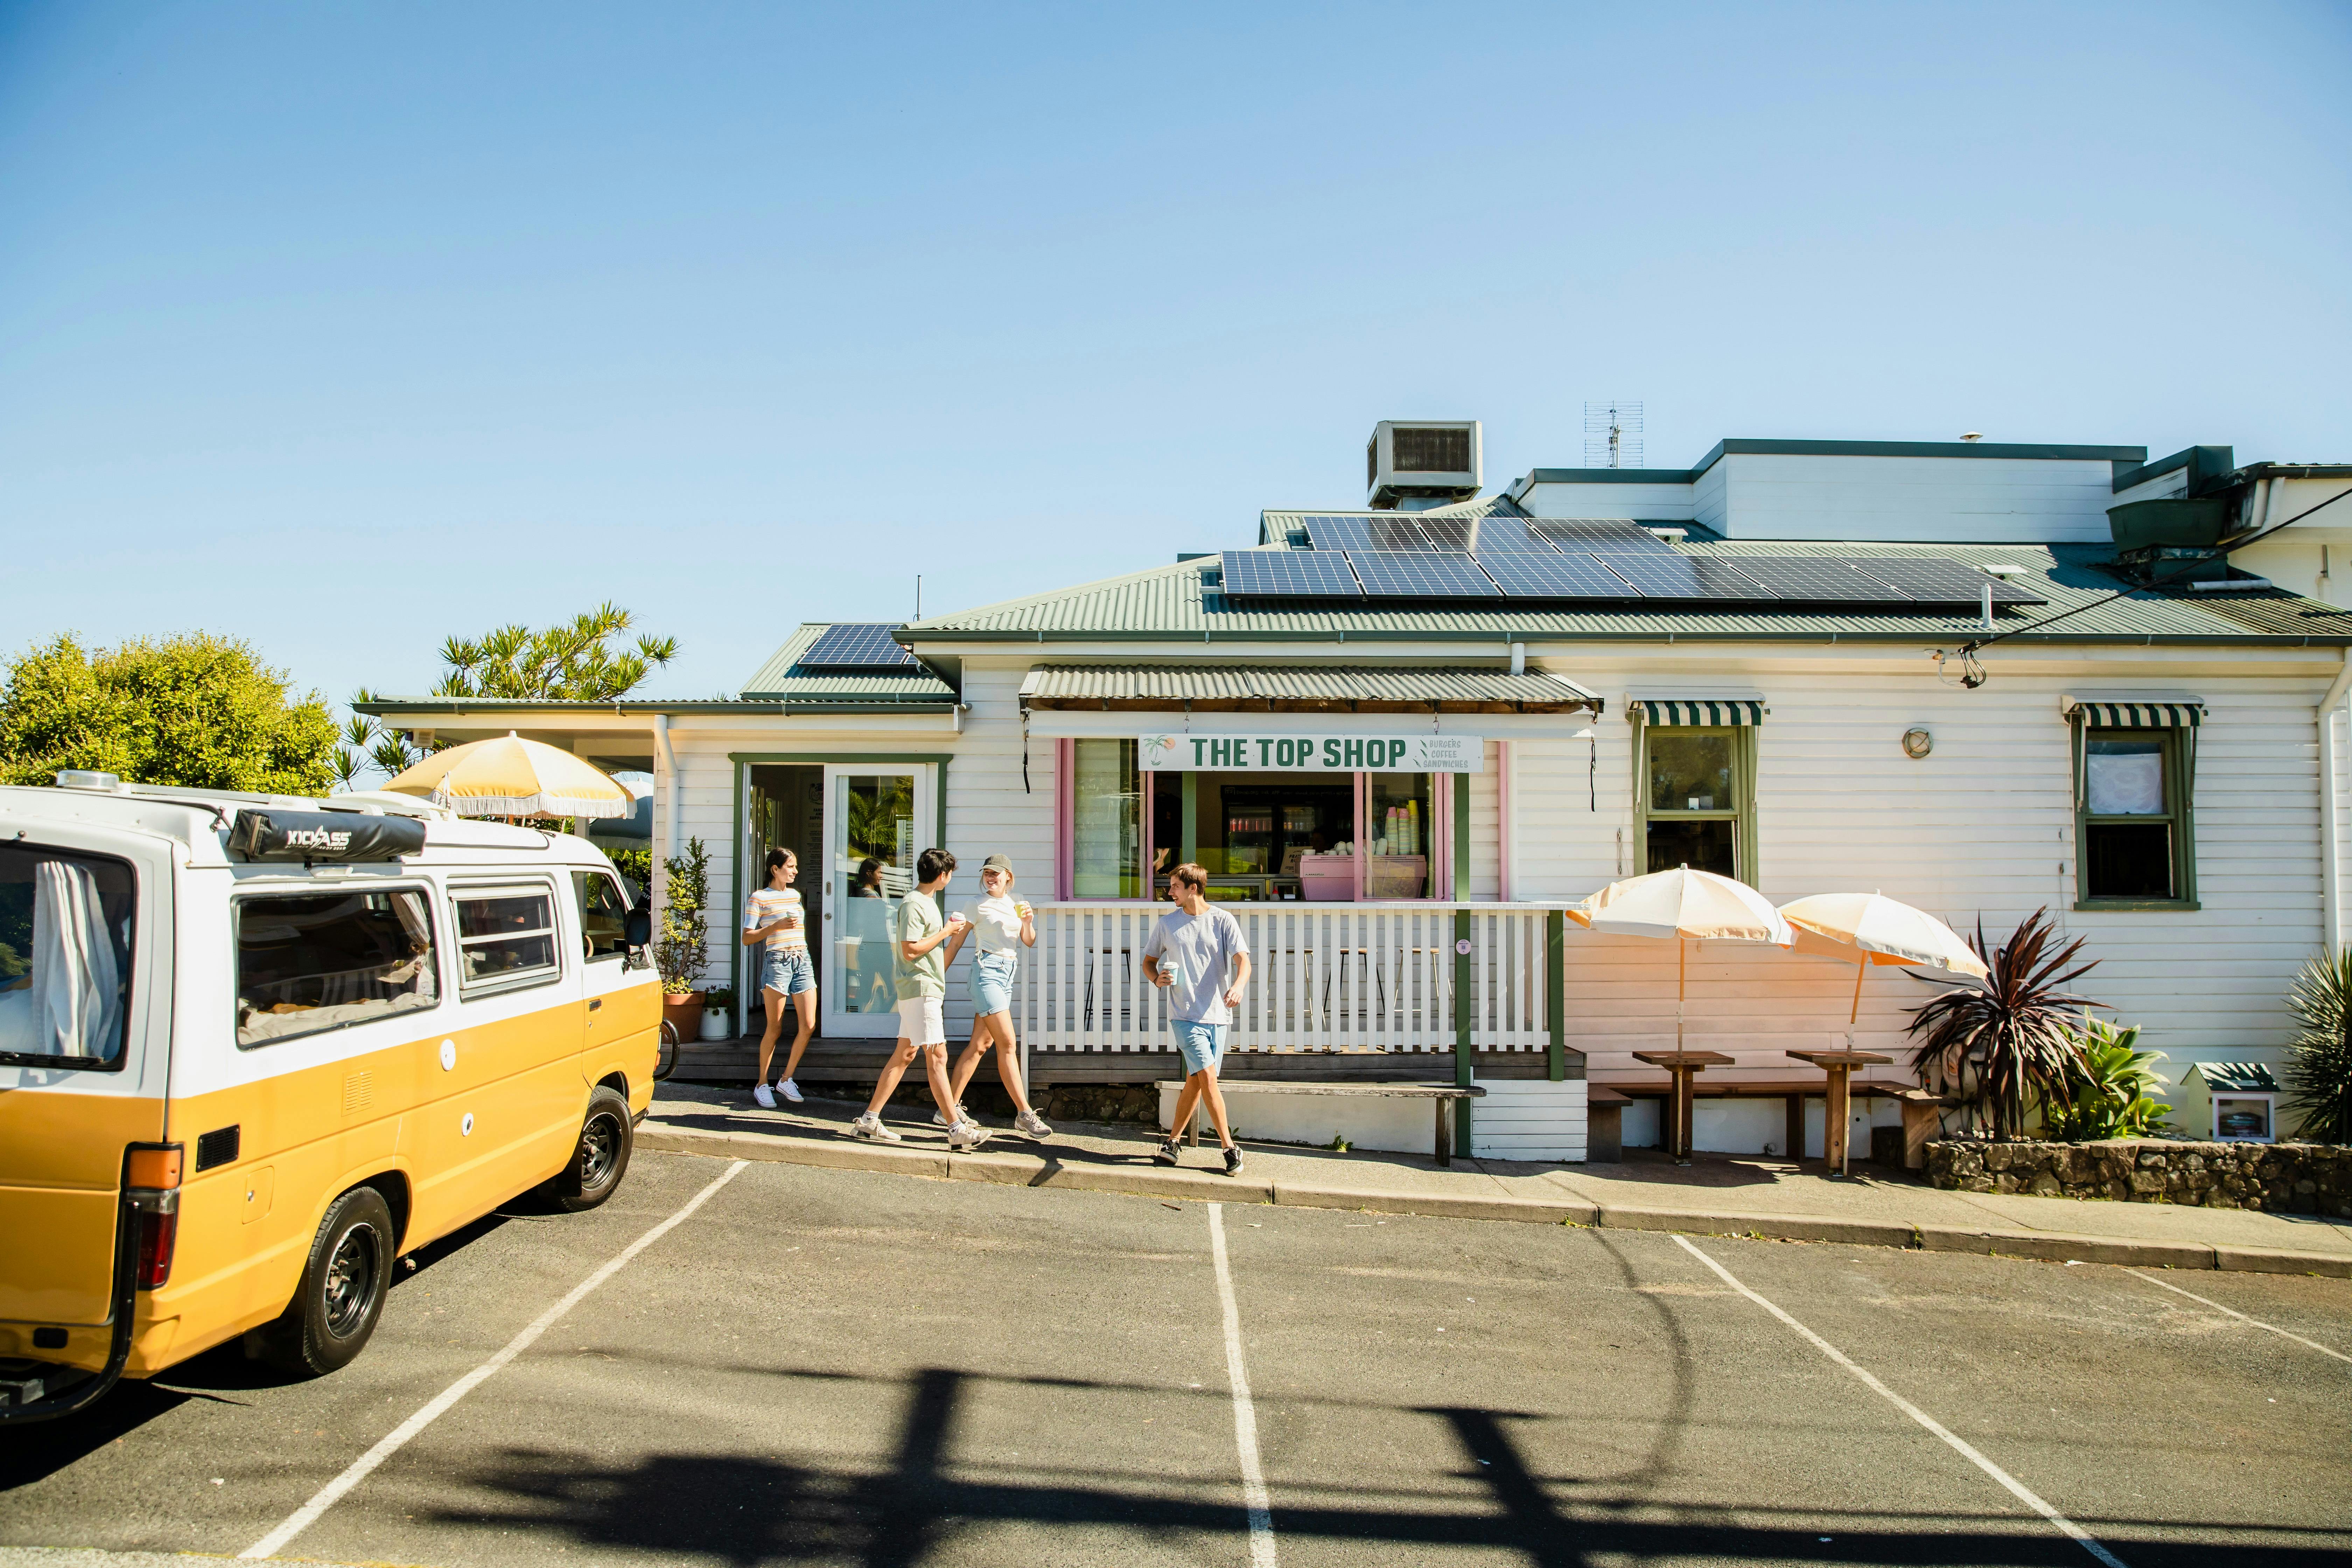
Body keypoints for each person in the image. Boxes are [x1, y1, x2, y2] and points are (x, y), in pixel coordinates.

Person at [851, 847, 987, 1147]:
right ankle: (955, 1128)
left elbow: (928, 950)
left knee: (905, 1055)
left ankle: (869, 1120)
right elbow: (910, 949)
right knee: (937, 1056)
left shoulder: (927, 903)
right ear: (942, 875)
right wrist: (946, 932)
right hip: (920, 988)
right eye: (950, 874)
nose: (950, 878)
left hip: (926, 987)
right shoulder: (914, 904)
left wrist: (950, 934)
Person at [1140, 862, 1253, 1174]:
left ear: (1193, 888)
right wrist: (1156, 978)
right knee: (1208, 1078)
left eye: (1175, 886)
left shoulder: (1222, 921)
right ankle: (1230, 1148)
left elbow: (1243, 961)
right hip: (1185, 1015)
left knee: (1196, 1080)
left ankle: (1173, 1143)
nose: (1169, 891)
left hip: (1218, 1015)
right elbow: (1149, 962)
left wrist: (1239, 986)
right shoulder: (1167, 924)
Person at [941, 855, 1052, 1139]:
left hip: (1007, 974)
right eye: (987, 873)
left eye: (996, 874)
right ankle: (1025, 1114)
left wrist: (1028, 921)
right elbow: (956, 941)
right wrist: (936, 973)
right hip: (986, 973)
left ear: (1008, 878)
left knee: (980, 1045)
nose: (991, 878)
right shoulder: (975, 904)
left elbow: (1028, 940)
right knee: (1007, 1043)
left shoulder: (1017, 903)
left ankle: (947, 1109)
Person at [741, 847, 815, 1108]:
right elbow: (747, 937)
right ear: (776, 869)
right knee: (775, 1027)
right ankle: (762, 1084)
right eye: (791, 867)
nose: (795, 871)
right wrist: (774, 927)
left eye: (795, 867)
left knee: (808, 1025)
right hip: (778, 962)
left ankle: (786, 1079)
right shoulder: (759, 898)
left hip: (802, 960)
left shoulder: (795, 895)